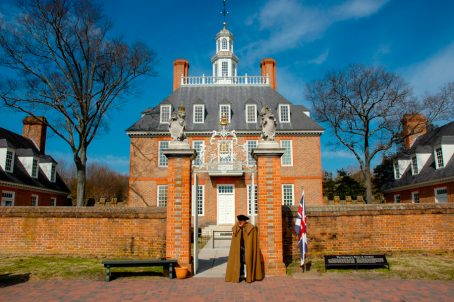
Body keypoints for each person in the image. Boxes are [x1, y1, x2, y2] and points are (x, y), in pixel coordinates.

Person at [225, 214, 264, 283]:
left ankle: (247, 276)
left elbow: (252, 241)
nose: (240, 222)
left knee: (247, 261)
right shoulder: (236, 228)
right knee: (238, 261)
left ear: (245, 221)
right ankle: (239, 276)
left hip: (247, 248)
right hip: (239, 248)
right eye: (239, 221)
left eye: (241, 221)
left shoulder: (251, 228)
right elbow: (235, 240)